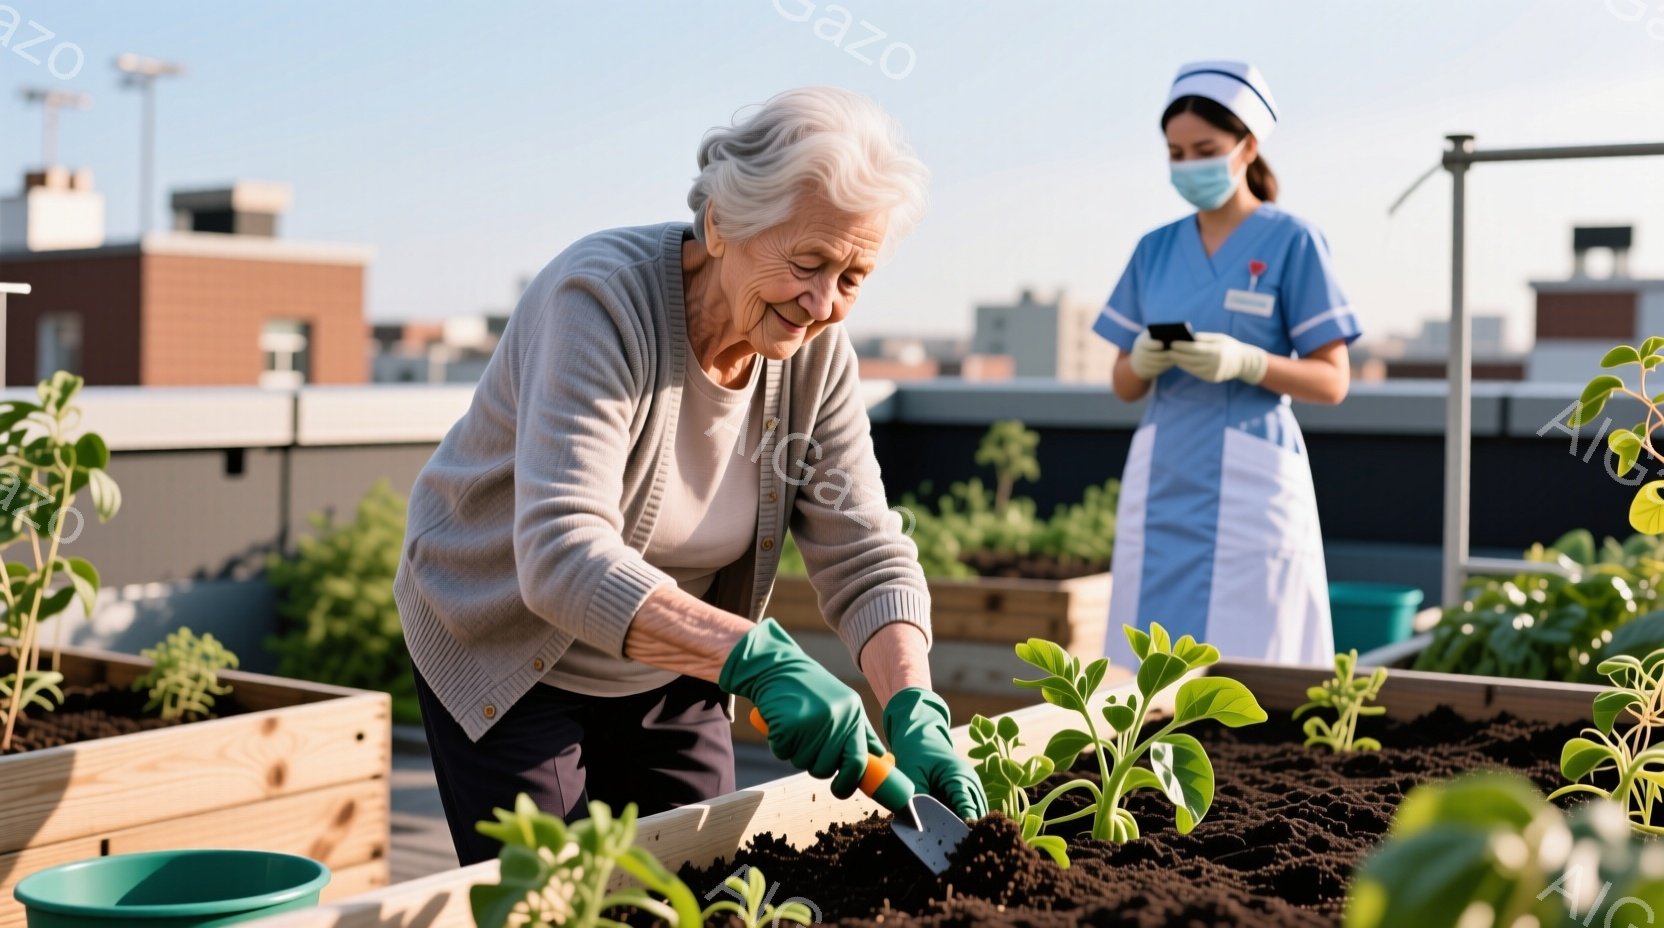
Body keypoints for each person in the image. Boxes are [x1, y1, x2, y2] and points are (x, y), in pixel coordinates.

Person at [393, 86, 986, 865]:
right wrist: (757, 659)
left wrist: (914, 703)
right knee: (562, 904)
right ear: (721, 225)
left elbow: (865, 550)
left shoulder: (813, 359)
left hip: (670, 661)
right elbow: (563, 555)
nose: (821, 304)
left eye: (853, 276)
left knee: (710, 888)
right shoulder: (600, 302)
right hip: (511, 647)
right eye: (808, 262)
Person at [1091, 61, 1361, 666]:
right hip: (1164, 470)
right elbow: (1122, 385)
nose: (1189, 165)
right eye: (1176, 152)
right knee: (1146, 657)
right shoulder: (1153, 249)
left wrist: (1246, 362)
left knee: (1253, 653)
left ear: (1248, 147)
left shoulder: (1294, 241)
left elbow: (1333, 380)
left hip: (1252, 474)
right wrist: (1142, 358)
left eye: (1205, 149)